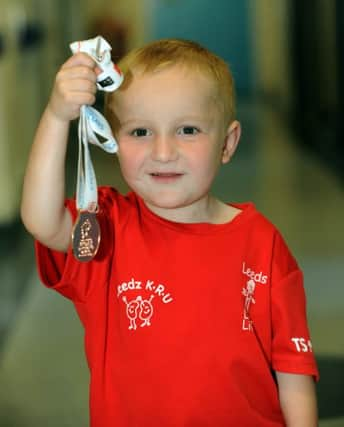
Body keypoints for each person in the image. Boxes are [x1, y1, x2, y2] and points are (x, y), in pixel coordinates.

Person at [21, 38, 319, 427]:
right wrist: (58, 117)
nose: (163, 152)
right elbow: (42, 220)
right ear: (113, 139)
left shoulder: (263, 244)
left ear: (227, 143)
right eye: (140, 132)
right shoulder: (107, 229)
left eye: (188, 130)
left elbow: (294, 371)